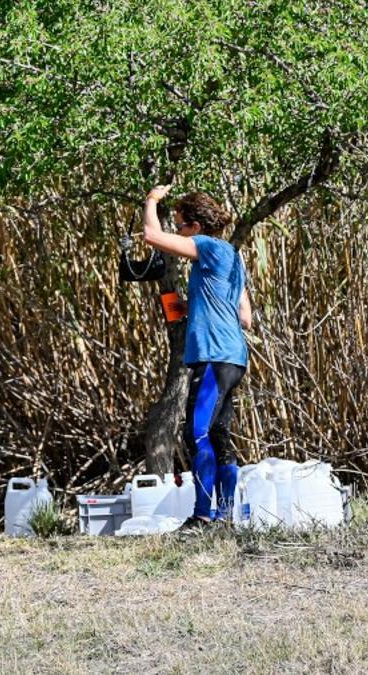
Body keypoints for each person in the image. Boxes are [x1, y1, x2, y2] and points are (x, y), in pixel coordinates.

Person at [142, 185, 253, 530]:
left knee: (199, 434)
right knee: (220, 435)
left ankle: (203, 515)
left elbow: (151, 236)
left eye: (179, 225)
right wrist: (183, 306)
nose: (177, 231)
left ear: (194, 226)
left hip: (213, 356)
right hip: (234, 357)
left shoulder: (206, 245)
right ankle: (225, 516)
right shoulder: (233, 258)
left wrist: (152, 199)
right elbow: (245, 316)